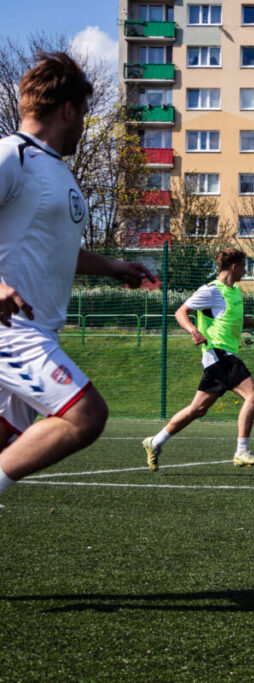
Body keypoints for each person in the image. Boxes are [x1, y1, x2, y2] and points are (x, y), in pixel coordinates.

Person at [0, 53, 154, 506]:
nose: (85, 123)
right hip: (11, 332)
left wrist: (112, 266)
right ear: (68, 108)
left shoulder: (55, 170)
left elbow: (55, 248)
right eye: (84, 113)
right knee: (85, 416)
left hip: (36, 331)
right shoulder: (14, 155)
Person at [142, 248, 254, 469]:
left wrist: (251, 323)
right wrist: (193, 331)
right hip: (218, 353)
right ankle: (242, 451)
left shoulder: (234, 292)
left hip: (222, 356)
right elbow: (181, 312)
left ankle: (155, 441)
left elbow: (231, 319)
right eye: (245, 266)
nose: (246, 270)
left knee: (197, 409)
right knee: (253, 395)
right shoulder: (210, 290)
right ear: (235, 266)